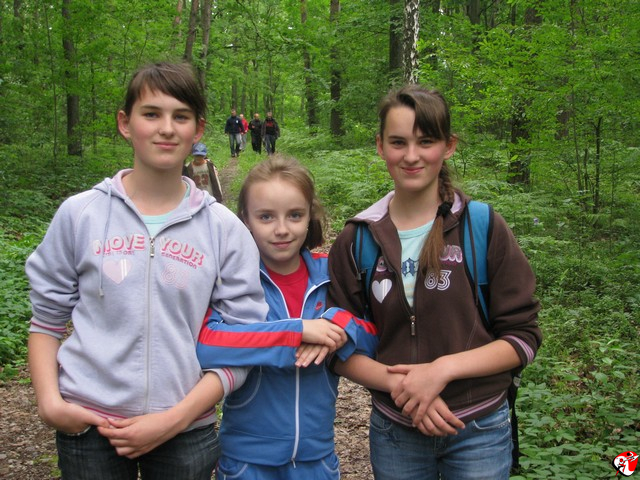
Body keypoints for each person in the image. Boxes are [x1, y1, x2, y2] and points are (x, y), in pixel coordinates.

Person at [25, 62, 269, 480]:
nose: (166, 129)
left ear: (198, 129)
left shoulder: (223, 229)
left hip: (185, 429)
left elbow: (242, 343)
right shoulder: (81, 215)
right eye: (151, 114)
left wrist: (176, 417)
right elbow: (46, 321)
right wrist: (50, 403)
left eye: (181, 116)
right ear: (126, 123)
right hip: (90, 426)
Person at [326, 84, 543, 480]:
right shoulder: (358, 239)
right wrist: (408, 389)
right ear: (380, 146)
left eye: (425, 141)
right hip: (396, 430)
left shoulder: (482, 227)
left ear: (448, 146)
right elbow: (340, 347)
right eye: (398, 142)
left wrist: (441, 370)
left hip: (479, 429)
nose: (411, 156)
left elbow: (523, 337)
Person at [197, 155, 378, 480]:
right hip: (246, 461)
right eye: (266, 217)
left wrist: (339, 324)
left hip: (317, 458)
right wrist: (296, 332)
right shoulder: (235, 280)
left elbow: (375, 334)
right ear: (245, 219)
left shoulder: (330, 275)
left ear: (310, 216)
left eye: (295, 215)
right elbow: (207, 345)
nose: (281, 229)